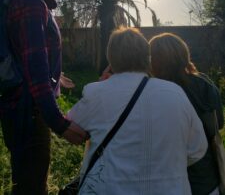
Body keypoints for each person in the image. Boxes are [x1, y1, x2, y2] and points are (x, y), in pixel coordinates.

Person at [66, 27, 207, 195]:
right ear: (147, 58)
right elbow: (197, 149)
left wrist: (101, 83)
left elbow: (70, 128)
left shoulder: (97, 93)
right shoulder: (175, 93)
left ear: (111, 60)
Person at [0, 0, 87, 195]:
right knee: (31, 188)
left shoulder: (26, 0)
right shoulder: (32, 3)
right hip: (29, 112)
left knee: (27, 183)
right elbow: (35, 74)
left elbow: (26, 55)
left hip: (22, 109)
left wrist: (55, 75)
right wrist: (60, 124)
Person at [149, 32, 224, 195]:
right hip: (206, 181)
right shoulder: (206, 85)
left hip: (166, 182)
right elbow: (219, 122)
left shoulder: (151, 91)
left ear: (155, 61)